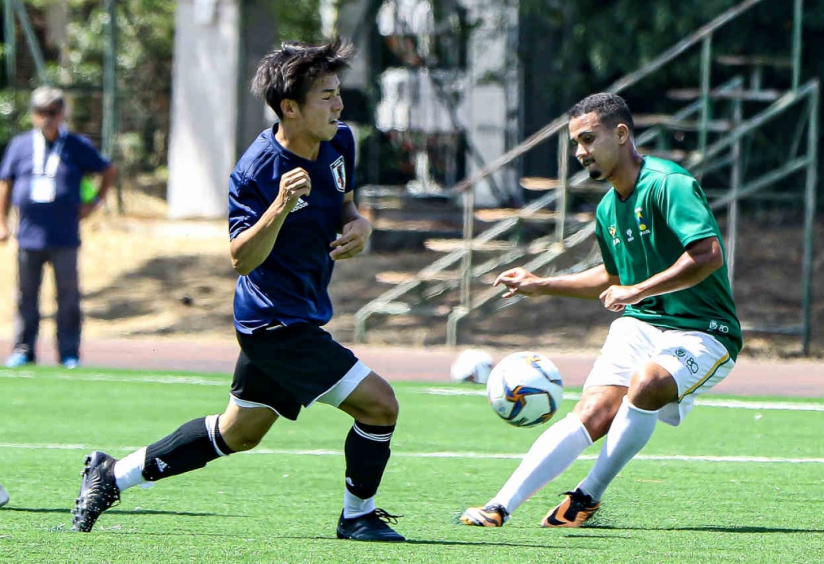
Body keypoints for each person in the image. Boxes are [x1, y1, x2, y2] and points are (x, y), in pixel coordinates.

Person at [70, 38, 405, 542]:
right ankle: (358, 516)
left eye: (338, 93)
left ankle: (111, 474)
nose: (339, 105)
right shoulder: (255, 170)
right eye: (327, 96)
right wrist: (278, 206)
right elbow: (240, 258)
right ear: (289, 108)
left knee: (236, 434)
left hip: (298, 316)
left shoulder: (341, 142)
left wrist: (361, 226)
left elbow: (347, 206)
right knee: (380, 405)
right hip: (275, 324)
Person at [460, 92, 742, 528]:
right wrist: (541, 285)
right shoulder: (609, 207)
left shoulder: (670, 185)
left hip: (704, 330)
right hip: (643, 322)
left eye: (588, 139)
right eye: (576, 143)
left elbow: (707, 257)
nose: (580, 152)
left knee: (647, 383)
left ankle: (586, 495)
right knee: (592, 413)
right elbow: (613, 276)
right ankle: (499, 505)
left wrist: (638, 289)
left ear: (622, 134)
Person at [0, 86, 117, 369]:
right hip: (29, 235)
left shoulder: (76, 145)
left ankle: (68, 352)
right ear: (33, 115)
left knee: (68, 297)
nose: (47, 119)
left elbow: (108, 170)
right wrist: (1, 222)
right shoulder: (20, 145)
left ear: (62, 114)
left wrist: (96, 203)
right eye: (41, 113)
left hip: (64, 236)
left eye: (52, 112)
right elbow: (6, 182)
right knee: (26, 296)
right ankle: (24, 349)